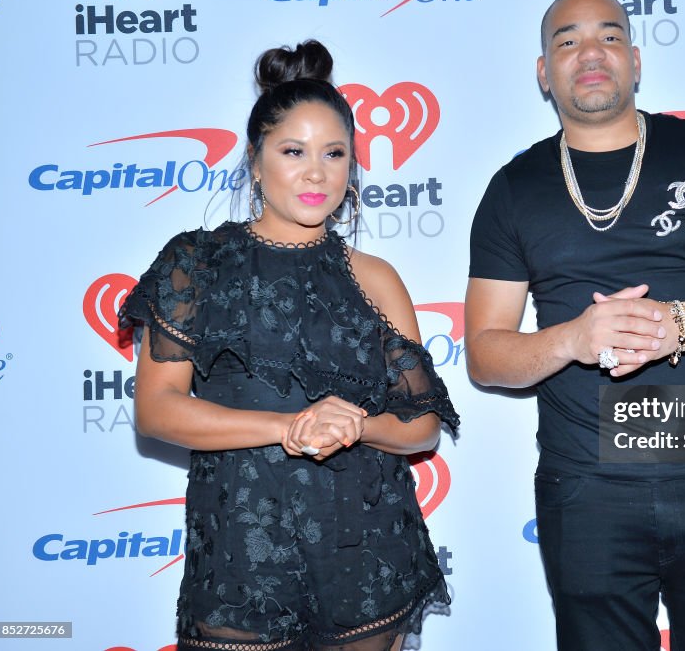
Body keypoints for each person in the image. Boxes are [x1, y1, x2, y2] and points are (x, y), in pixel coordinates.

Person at [465, 0, 685, 651]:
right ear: (544, 71)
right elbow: (484, 351)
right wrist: (573, 338)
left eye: (609, 36)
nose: (589, 53)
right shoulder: (515, 186)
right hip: (584, 486)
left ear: (637, 60)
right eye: (567, 41)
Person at [120, 40, 458, 651]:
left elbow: (422, 427)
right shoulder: (194, 263)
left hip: (366, 551)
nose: (315, 173)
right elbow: (157, 409)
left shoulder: (376, 277)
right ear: (255, 161)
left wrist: (356, 424)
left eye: (334, 154)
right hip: (241, 551)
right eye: (293, 151)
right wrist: (289, 426)